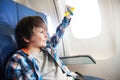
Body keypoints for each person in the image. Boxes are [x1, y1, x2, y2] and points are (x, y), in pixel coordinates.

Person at [5, 12, 84, 80]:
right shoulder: (18, 59)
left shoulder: (48, 47)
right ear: (26, 38)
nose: (46, 36)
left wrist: (67, 15)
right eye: (41, 32)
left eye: (46, 32)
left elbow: (58, 34)